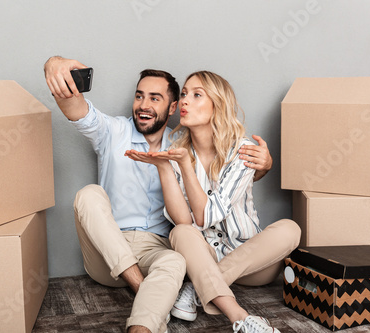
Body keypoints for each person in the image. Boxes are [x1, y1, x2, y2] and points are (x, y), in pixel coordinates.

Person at [44, 56, 273, 333]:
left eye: (155, 98)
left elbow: (220, 182)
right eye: (139, 96)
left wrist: (262, 167)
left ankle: (143, 327)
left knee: (175, 260)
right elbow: (76, 109)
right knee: (89, 194)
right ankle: (142, 287)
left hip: (157, 251)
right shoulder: (112, 131)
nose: (144, 105)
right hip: (107, 249)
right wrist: (55, 66)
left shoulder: (182, 149)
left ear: (172, 106)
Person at [125, 71, 301, 333]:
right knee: (181, 232)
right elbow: (185, 221)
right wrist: (166, 167)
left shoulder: (241, 151)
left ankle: (197, 289)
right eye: (184, 94)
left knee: (290, 229)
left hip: (251, 263)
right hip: (202, 259)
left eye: (197, 95)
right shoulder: (175, 151)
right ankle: (239, 317)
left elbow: (208, 216)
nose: (184, 101)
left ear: (217, 105)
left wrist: (183, 164)